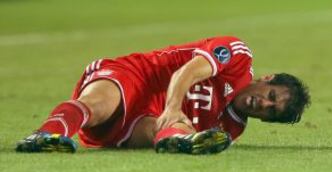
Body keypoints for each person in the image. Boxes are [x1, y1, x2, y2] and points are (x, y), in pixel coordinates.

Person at [16, 36, 310, 154]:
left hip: (145, 119)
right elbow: (187, 72)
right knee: (99, 105)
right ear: (266, 79)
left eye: (272, 110)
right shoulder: (237, 56)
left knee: (178, 129)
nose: (265, 103)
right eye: (271, 95)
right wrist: (172, 106)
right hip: (138, 75)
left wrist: (171, 120)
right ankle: (43, 136)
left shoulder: (231, 130)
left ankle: (177, 143)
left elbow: (171, 118)